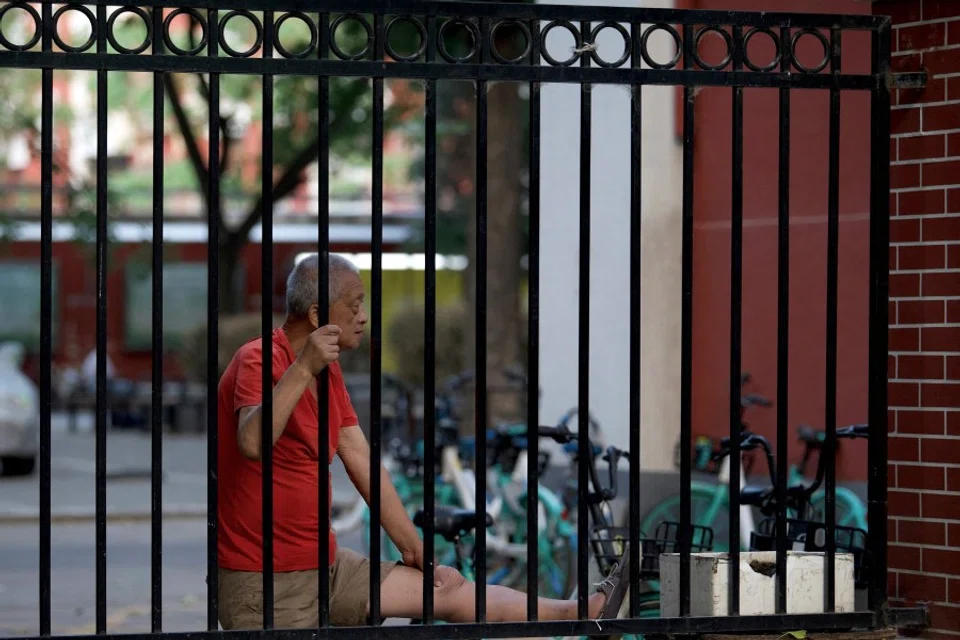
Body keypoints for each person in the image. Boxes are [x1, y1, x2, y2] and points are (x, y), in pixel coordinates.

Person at [216, 253, 630, 630]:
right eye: (355, 304)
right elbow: (253, 441)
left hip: (324, 568)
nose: (363, 316)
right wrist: (303, 367)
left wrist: (414, 549)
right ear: (317, 313)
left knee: (446, 587)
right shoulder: (258, 359)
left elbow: (359, 456)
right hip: (265, 581)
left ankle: (579, 613)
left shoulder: (328, 374)